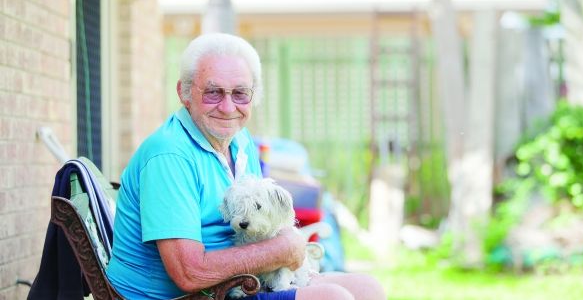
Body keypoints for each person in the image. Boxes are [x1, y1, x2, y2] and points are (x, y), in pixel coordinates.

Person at [106, 33, 387, 300]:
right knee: (333, 298)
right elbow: (188, 273)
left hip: (232, 283)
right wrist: (281, 249)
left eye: (240, 93)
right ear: (184, 92)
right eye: (213, 92)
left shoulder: (239, 142)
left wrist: (286, 247)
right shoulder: (169, 156)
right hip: (186, 295)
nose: (228, 107)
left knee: (367, 289)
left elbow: (263, 217)